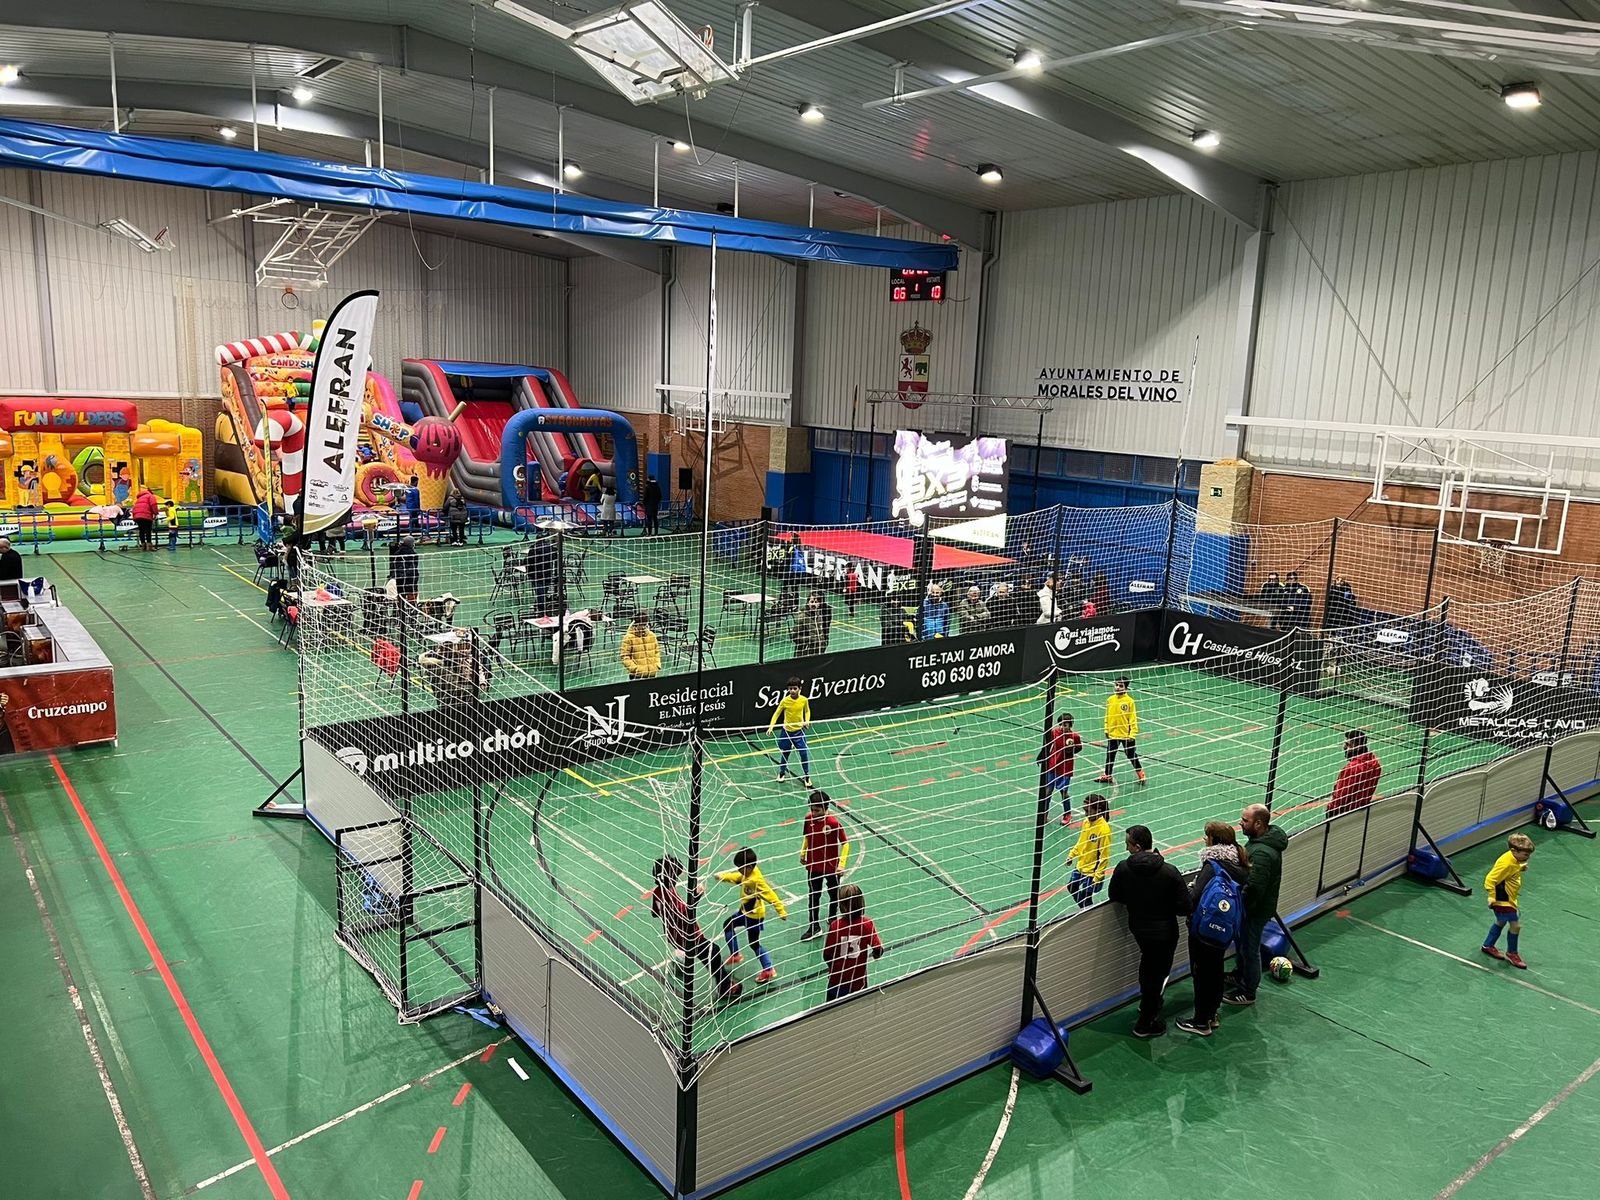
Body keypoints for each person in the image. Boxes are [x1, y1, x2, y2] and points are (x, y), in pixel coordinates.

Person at [1108, 825, 1191, 1038]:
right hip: (1165, 932)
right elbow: (1184, 907)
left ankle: (1148, 1004)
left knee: (1148, 969)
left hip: (1139, 929)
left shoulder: (1123, 868)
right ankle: (1145, 1023)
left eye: (1127, 844)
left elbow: (1114, 895)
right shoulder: (1169, 871)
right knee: (1158, 973)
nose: (1126, 848)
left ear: (1136, 847)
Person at [1175, 822, 1250, 1037]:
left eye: (1206, 836)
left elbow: (1193, 900)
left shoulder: (1213, 864)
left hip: (1204, 930)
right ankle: (1212, 1015)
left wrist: (1187, 890)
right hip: (1225, 928)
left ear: (1213, 841)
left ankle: (1200, 1022)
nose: (1203, 839)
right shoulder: (1240, 863)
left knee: (1201, 974)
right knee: (1216, 971)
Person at [651, 855, 741, 1004]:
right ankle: (725, 988)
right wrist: (696, 896)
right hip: (688, 936)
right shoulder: (669, 894)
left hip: (673, 935)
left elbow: (654, 913)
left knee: (705, 954)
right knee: (714, 953)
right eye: (675, 876)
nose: (677, 879)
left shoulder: (657, 892)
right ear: (670, 876)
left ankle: (681, 961)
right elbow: (687, 914)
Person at [1225, 803, 1288, 1007]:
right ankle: (1239, 975)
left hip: (1254, 910)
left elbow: (1254, 887)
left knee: (1250, 949)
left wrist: (1240, 907)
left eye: (1245, 820)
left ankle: (1248, 991)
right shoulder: (1260, 842)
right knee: (1244, 946)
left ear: (1259, 824)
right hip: (1255, 908)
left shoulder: (1261, 853)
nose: (1240, 823)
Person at [717, 847, 787, 984]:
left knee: (754, 944)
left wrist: (781, 910)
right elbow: (738, 878)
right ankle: (736, 954)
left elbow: (770, 894)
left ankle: (768, 969)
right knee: (728, 925)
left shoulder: (756, 880)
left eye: (740, 867)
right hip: (745, 913)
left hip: (754, 917)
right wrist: (723, 877)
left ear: (749, 866)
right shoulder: (748, 873)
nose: (739, 870)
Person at [799, 790, 851, 941]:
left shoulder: (833, 823)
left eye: (817, 810)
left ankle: (832, 918)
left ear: (826, 808)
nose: (814, 813)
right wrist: (803, 853)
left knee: (834, 894)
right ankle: (814, 926)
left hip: (831, 866)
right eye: (812, 810)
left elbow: (845, 844)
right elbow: (807, 837)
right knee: (813, 896)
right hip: (814, 865)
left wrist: (841, 865)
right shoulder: (808, 820)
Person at [1482, 832, 1536, 970]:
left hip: (1509, 897)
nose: (1527, 857)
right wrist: (1491, 896)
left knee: (1500, 921)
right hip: (1502, 899)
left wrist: (1520, 867)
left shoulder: (1514, 860)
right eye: (1525, 855)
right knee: (1515, 925)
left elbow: (1512, 870)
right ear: (1514, 850)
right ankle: (1512, 953)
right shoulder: (1506, 863)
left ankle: (1488, 945)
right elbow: (1490, 879)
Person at [823, 883, 884, 1001]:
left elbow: (827, 954)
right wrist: (876, 955)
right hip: (858, 981)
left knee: (832, 1013)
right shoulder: (866, 924)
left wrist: (832, 969)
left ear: (841, 905)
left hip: (837, 980)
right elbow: (878, 949)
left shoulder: (836, 926)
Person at [1065, 793, 1112, 909]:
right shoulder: (1086, 822)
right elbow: (1081, 842)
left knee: (1086, 896)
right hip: (1081, 866)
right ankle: (1086, 910)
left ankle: (1087, 912)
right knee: (1071, 887)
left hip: (1092, 872)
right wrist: (1072, 855)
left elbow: (1104, 856)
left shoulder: (1104, 829)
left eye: (1088, 810)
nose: (1085, 814)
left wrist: (1098, 876)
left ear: (1098, 811)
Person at [1097, 677, 1146, 785]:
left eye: (1120, 686)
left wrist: (1132, 734)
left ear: (1126, 688)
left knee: (1131, 754)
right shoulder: (1110, 700)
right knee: (1110, 754)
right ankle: (1107, 775)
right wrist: (1106, 729)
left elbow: (1133, 719)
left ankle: (1141, 774)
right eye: (1116, 685)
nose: (1117, 688)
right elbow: (1107, 716)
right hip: (1113, 734)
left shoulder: (1129, 702)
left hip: (1127, 735)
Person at [1327, 729, 1382, 817]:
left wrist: (1330, 811)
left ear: (1358, 747)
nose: (1344, 747)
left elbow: (1340, 798)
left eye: (1348, 744)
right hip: (1362, 813)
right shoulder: (1375, 764)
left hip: (1344, 815)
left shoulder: (1351, 769)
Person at [769, 676, 812, 787]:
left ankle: (807, 776)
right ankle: (782, 773)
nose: (792, 691)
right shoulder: (785, 701)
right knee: (785, 753)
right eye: (790, 688)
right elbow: (777, 713)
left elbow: (807, 711)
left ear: (799, 688)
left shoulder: (804, 700)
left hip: (799, 732)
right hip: (787, 732)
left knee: (804, 753)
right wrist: (771, 726)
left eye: (794, 688)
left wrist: (807, 721)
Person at [1043, 712, 1082, 824]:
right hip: (1053, 765)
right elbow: (1048, 745)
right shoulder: (1054, 732)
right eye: (1060, 724)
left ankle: (1067, 814)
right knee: (1048, 791)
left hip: (1065, 768)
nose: (1062, 727)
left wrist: (1071, 749)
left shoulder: (1075, 736)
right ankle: (1044, 814)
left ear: (1070, 725)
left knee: (1064, 792)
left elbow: (1079, 748)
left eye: (1065, 725)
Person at [620, 615, 661, 679]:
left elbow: (656, 651)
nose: (645, 627)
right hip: (637, 676)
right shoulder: (628, 638)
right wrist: (635, 669)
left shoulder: (652, 635)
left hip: (652, 674)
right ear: (636, 625)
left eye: (646, 624)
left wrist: (657, 665)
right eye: (642, 624)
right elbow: (625, 656)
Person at [792, 591, 830, 659]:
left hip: (818, 653)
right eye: (812, 602)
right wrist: (810, 639)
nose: (814, 604)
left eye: (816, 602)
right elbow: (794, 637)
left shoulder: (819, 616)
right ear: (808, 603)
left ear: (819, 604)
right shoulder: (802, 617)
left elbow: (821, 632)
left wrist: (824, 642)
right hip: (804, 654)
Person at [388, 537, 419, 601]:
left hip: (399, 579)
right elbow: (414, 566)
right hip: (411, 579)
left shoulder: (397, 553)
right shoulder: (413, 554)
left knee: (401, 596)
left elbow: (393, 565)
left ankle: (401, 608)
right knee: (412, 597)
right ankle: (412, 608)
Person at [131, 485, 159, 551]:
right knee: (148, 530)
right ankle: (149, 546)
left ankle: (143, 546)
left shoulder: (139, 498)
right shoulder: (150, 496)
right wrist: (156, 513)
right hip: (146, 516)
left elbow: (135, 508)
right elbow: (153, 504)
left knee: (141, 530)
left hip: (137, 516)